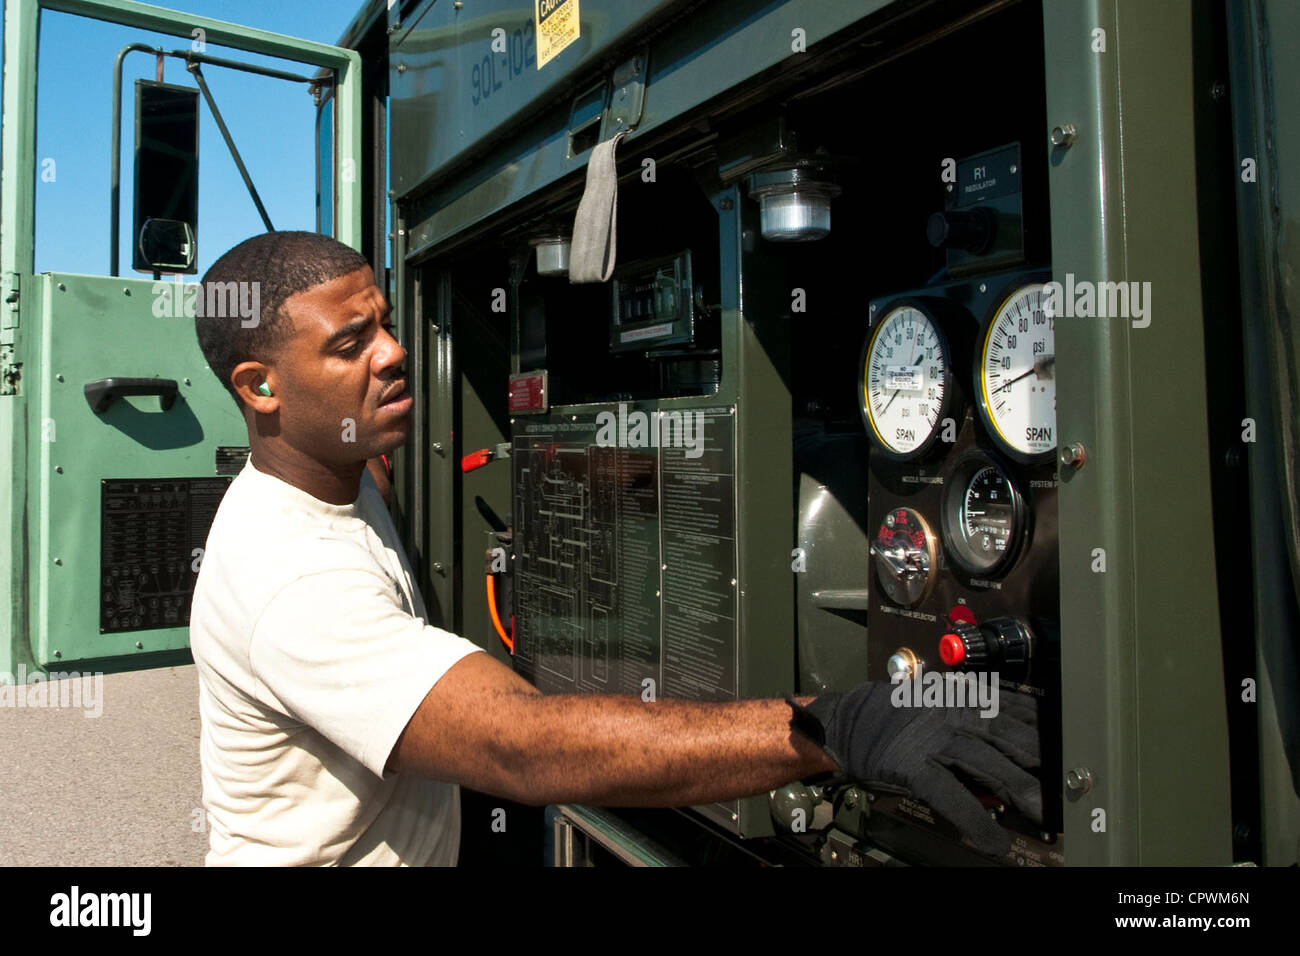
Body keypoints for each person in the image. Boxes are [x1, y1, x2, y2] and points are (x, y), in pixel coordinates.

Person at [189, 231, 1041, 866]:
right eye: (352, 345)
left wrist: (626, 464)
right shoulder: (288, 579)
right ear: (259, 388)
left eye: (386, 323)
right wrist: (832, 726)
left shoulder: (339, 465)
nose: (395, 354)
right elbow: (521, 746)